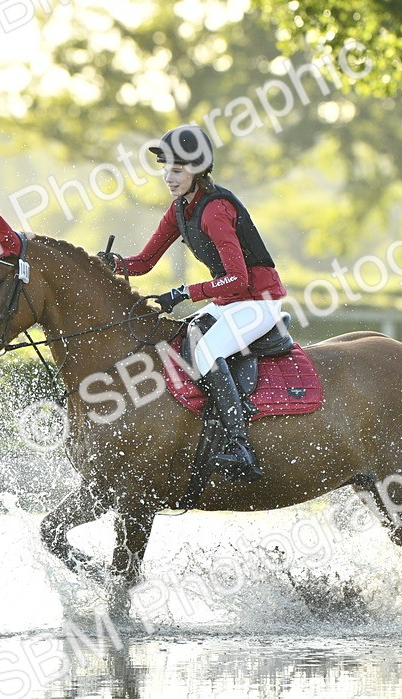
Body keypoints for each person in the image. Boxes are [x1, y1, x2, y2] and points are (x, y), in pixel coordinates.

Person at [98, 124, 287, 482]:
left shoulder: (215, 211)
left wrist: (185, 292)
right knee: (179, 340)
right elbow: (144, 263)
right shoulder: (180, 210)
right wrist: (111, 265)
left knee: (205, 353)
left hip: (259, 301)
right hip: (231, 301)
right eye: (166, 168)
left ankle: (240, 446)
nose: (168, 177)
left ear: (198, 170)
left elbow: (239, 279)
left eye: (177, 169)